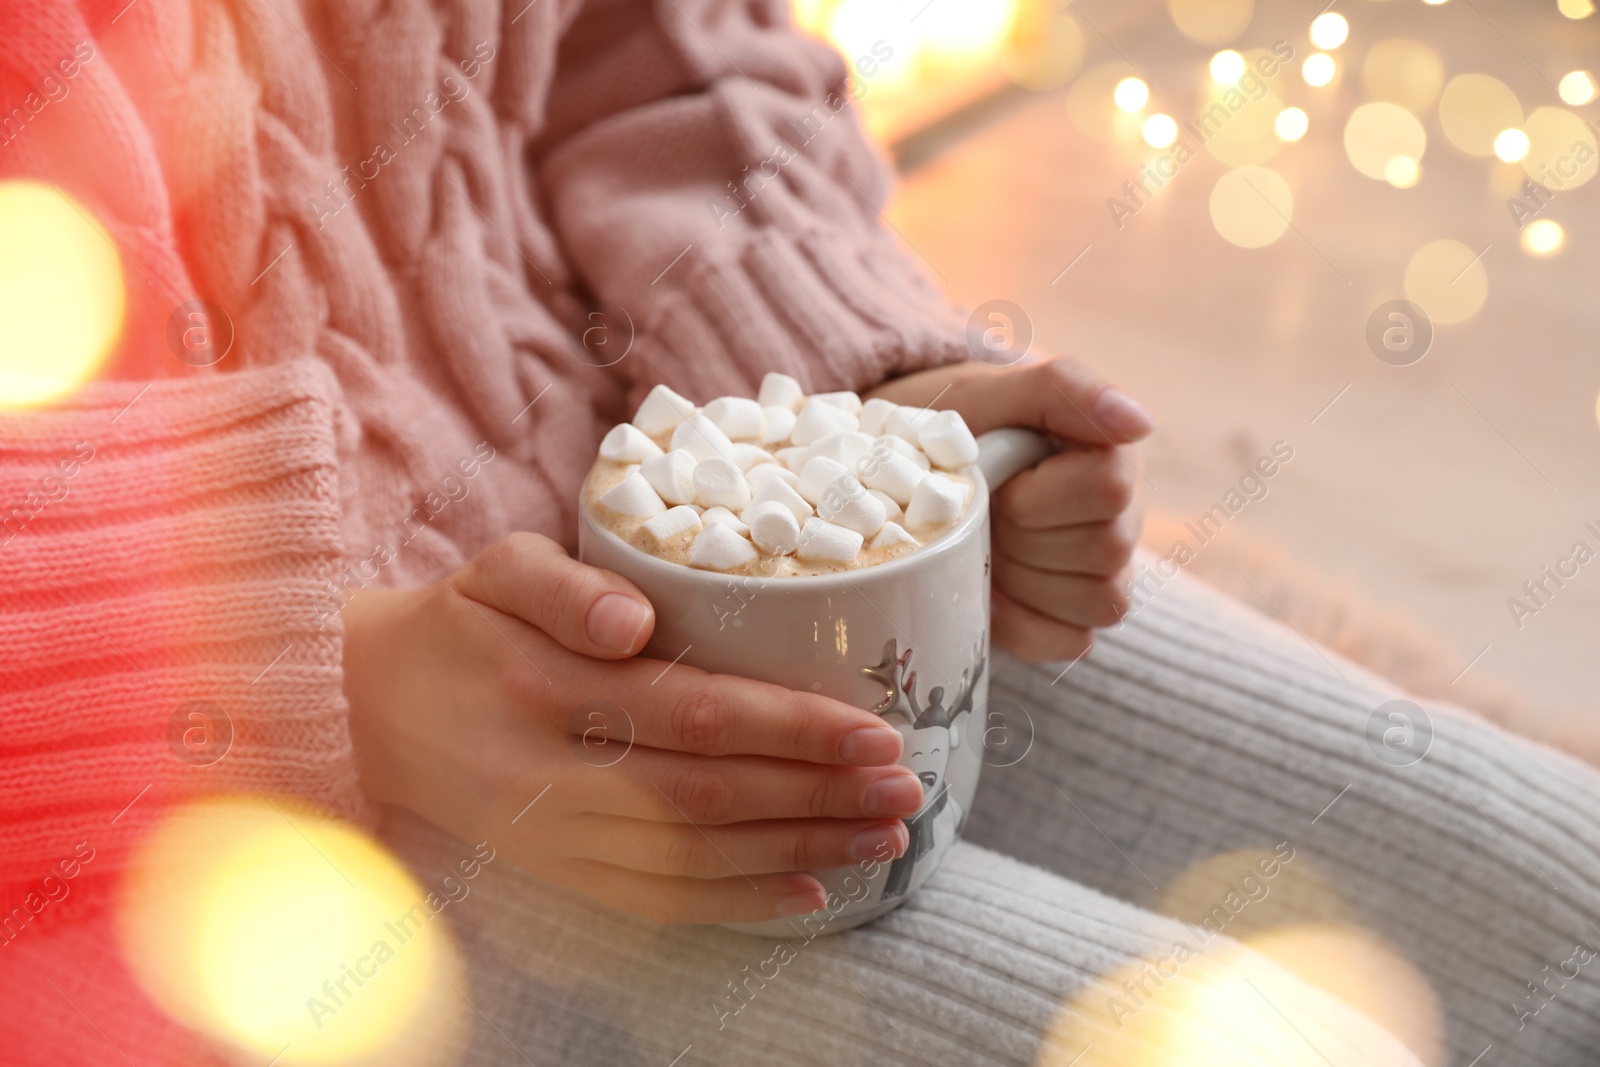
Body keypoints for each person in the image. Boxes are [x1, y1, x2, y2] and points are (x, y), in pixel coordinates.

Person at [2, 2, 1597, 1064]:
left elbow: (657, 45)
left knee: (1557, 896)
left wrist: (847, 382)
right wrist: (288, 656)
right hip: (204, 833)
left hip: (675, 497)